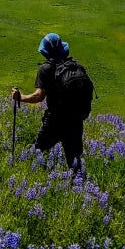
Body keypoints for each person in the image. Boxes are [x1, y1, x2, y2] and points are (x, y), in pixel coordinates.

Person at [11, 33, 85, 173]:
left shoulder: (46, 69)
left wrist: (20, 97)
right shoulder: (75, 66)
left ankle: (34, 178)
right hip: (75, 121)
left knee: (38, 151)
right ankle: (78, 188)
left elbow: (39, 97)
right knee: (74, 161)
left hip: (56, 121)